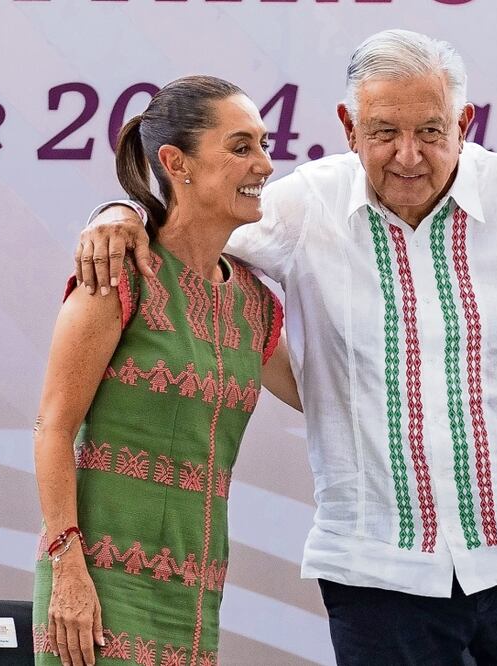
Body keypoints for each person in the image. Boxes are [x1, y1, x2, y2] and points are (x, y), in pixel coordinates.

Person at [79, 30, 497, 665]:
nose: (408, 156)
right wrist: (118, 213)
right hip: (376, 574)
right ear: (347, 127)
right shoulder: (301, 209)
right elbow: (185, 227)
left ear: (464, 121)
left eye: (432, 132)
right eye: (383, 133)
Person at [31, 75, 300, 666]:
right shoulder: (119, 274)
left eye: (262, 143)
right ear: (176, 162)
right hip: (98, 585)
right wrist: (68, 568)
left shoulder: (253, 302)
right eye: (241, 147)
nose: (265, 164)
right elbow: (52, 427)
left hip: (196, 589)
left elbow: (322, 395)